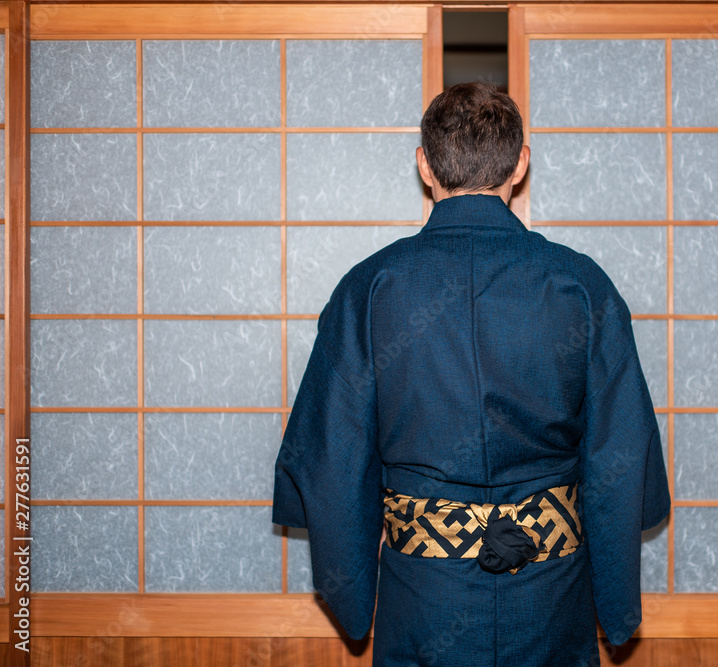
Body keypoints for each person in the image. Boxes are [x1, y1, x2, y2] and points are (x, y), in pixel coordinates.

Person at [272, 82, 670, 666]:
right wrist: (616, 607)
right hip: (550, 592)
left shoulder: (372, 288)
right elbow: (620, 451)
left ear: (425, 167)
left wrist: (353, 598)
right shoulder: (581, 286)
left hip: (425, 596)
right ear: (520, 166)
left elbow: (332, 456)